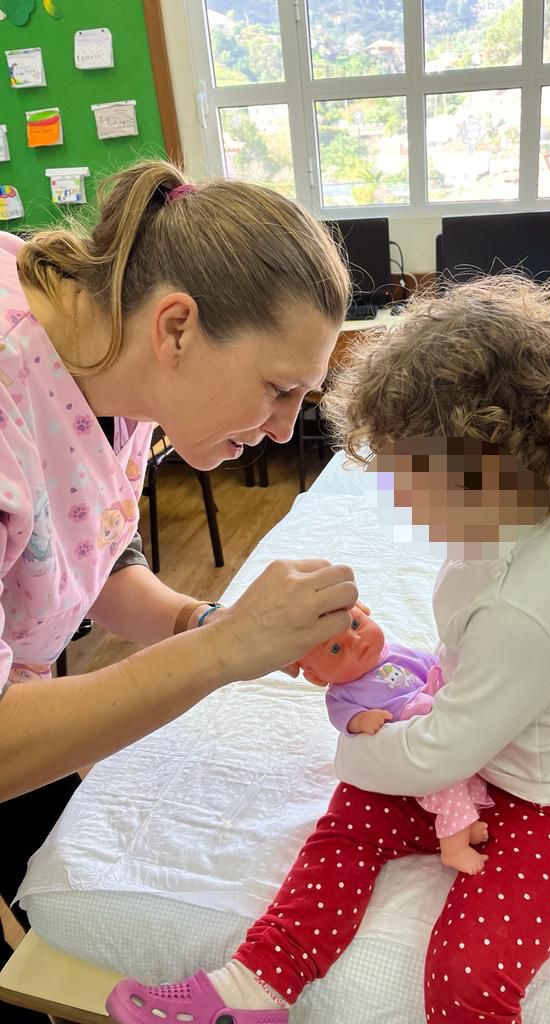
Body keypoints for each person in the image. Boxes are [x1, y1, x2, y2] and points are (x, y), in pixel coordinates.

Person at [107, 275, 550, 1024]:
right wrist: (398, 686)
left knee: (466, 974)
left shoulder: (526, 602)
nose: (397, 496)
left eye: (405, 474)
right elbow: (463, 674)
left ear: (478, 471)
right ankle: (259, 986)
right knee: (351, 825)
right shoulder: (495, 542)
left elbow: (439, 756)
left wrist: (356, 752)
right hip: (494, 761)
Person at [0, 160, 359, 1013]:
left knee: (59, 908)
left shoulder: (108, 354)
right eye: (278, 390)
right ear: (178, 327)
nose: (284, 431)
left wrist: (205, 619)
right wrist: (222, 651)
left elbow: (82, 547)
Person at [298, 602, 493, 874]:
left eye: (355, 624)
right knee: (449, 785)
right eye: (335, 649)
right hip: (414, 739)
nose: (355, 641)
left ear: (365, 611)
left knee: (470, 771)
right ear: (316, 677)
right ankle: (454, 849)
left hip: (438, 714)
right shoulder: (342, 694)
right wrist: (362, 719)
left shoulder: (398, 653)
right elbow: (343, 719)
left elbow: (437, 667)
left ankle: (465, 826)